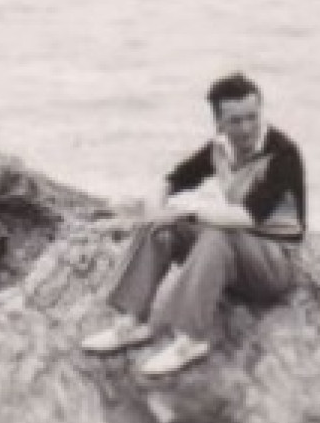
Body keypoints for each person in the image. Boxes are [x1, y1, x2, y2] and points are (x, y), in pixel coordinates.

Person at [81, 72, 307, 377]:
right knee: (162, 225)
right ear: (219, 124)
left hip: (274, 264)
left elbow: (248, 217)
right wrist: (157, 211)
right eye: (235, 121)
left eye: (252, 117)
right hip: (238, 256)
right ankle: (131, 324)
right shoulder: (219, 149)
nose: (246, 129)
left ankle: (191, 340)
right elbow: (171, 180)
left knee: (215, 234)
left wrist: (188, 213)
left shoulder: (282, 155)